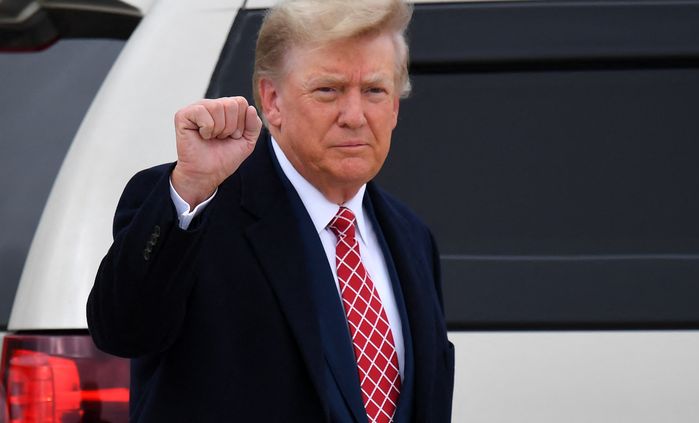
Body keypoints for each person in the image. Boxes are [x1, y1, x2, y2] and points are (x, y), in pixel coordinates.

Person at [87, 0, 454, 421]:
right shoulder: (196, 208)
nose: (354, 116)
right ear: (272, 100)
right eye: (328, 90)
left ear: (394, 108)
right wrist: (189, 188)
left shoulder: (412, 237)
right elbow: (123, 331)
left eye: (374, 90)